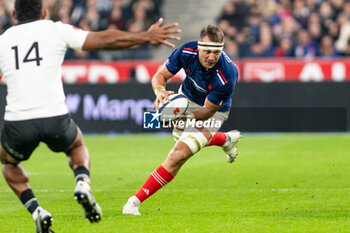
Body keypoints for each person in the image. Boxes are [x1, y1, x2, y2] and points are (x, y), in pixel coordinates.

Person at [0, 0, 180, 232]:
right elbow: (104, 40)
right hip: (54, 116)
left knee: (8, 162)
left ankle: (36, 210)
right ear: (44, 12)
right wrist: (145, 37)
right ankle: (82, 183)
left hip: (18, 122)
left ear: (13, 14)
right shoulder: (55, 29)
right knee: (75, 144)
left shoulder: (3, 41)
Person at [123, 25, 241, 215]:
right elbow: (159, 76)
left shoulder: (227, 75)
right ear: (199, 47)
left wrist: (179, 118)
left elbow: (207, 112)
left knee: (179, 154)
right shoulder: (186, 51)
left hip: (212, 112)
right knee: (184, 142)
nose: (211, 57)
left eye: (216, 52)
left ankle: (134, 202)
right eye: (207, 51)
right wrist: (160, 92)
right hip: (185, 98)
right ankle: (226, 140)